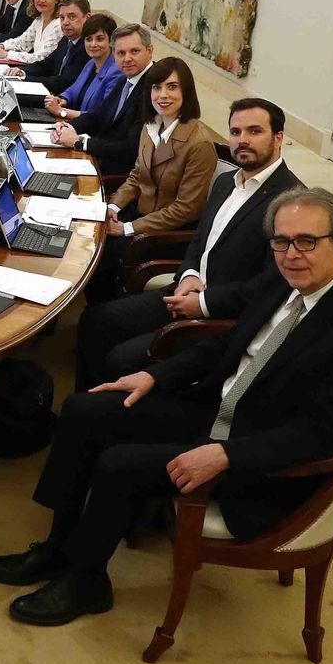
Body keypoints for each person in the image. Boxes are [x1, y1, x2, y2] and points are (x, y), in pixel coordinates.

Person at [0, 187, 333, 628]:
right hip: (217, 410)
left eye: (307, 241)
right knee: (83, 409)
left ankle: (87, 582)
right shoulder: (286, 278)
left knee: (118, 464)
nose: (291, 253)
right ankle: (57, 546)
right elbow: (229, 342)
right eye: (281, 241)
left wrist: (225, 454)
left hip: (256, 457)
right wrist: (154, 375)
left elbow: (323, 435)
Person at [77, 98, 303, 389]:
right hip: (184, 293)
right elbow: (199, 241)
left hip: (222, 319)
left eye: (254, 131)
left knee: (120, 359)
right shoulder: (226, 184)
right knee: (95, 321)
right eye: (235, 132)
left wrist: (203, 303)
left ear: (278, 137)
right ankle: (90, 403)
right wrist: (189, 274)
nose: (242, 140)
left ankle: (104, 412)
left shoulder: (292, 203)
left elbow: (271, 285)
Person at [85, 57, 220, 304]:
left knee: (97, 254)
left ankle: (102, 315)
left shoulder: (199, 144)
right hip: (140, 214)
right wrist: (113, 207)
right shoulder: (150, 126)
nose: (162, 95)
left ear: (186, 92)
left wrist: (127, 228)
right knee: (87, 236)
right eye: (156, 87)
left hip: (167, 232)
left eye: (172, 87)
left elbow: (186, 209)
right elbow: (137, 175)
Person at [51, 22, 157, 176]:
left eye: (134, 51)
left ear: (149, 51)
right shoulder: (125, 79)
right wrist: (68, 127)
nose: (127, 58)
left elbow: (132, 148)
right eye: (121, 53)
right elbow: (98, 115)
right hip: (98, 160)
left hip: (120, 176)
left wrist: (80, 142)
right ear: (113, 54)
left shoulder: (155, 88)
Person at [44, 14, 123, 121]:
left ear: (111, 42)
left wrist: (61, 111)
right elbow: (73, 90)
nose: (93, 44)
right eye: (88, 39)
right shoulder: (91, 63)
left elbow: (100, 116)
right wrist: (62, 100)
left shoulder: (117, 72)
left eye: (100, 39)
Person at [15, 0, 92, 93]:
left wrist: (24, 80)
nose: (65, 23)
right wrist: (22, 72)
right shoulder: (65, 40)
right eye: (62, 18)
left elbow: (63, 82)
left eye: (72, 17)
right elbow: (46, 65)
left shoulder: (88, 47)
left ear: (87, 18)